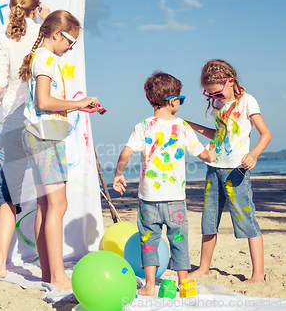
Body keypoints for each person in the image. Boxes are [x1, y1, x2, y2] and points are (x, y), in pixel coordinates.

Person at [113, 72, 216, 296]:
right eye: (181, 99)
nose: (180, 102)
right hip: (175, 199)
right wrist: (213, 155)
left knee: (148, 241)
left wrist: (119, 173)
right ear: (172, 101)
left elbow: (127, 151)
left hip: (148, 199)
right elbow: (203, 155)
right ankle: (184, 284)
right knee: (179, 240)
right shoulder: (182, 127)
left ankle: (150, 286)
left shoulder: (142, 126)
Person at [19, 10, 98, 291]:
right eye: (70, 41)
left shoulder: (40, 57)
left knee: (45, 205)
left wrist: (78, 105)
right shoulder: (47, 59)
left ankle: (46, 272)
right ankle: (57, 276)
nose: (71, 47)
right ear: (56, 34)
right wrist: (78, 104)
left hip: (39, 136)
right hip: (45, 138)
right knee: (58, 205)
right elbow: (43, 101)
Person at [0, 0, 50, 278]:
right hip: (43, 121)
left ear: (11, 6)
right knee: (45, 195)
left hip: (14, 121)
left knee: (8, 196)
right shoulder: (44, 35)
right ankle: (48, 267)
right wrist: (46, 20)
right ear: (36, 8)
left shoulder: (1, 38)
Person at [187, 59, 271, 283]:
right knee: (209, 220)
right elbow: (218, 135)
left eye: (217, 93)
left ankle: (258, 275)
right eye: (210, 95)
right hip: (213, 168)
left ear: (230, 82)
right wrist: (191, 126)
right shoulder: (218, 106)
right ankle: (204, 268)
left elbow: (266, 134)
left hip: (236, 171)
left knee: (245, 219)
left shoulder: (247, 102)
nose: (214, 98)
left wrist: (253, 155)